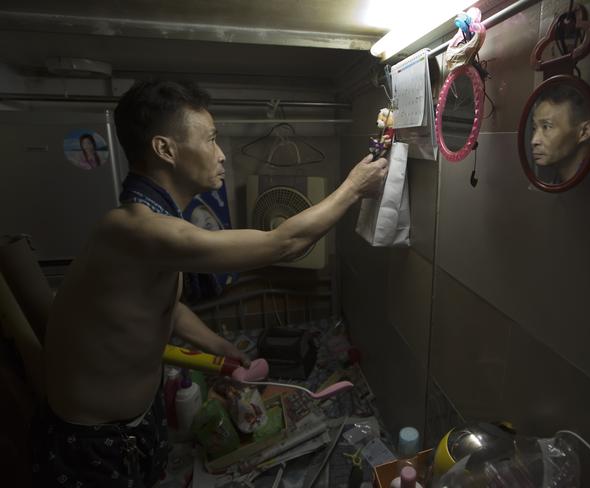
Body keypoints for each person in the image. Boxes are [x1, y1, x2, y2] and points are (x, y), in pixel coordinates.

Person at [31, 80, 388, 487]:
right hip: (92, 442)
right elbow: (286, 243)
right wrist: (355, 186)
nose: (221, 155)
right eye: (211, 139)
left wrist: (218, 346)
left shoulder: (155, 228)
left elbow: (164, 304)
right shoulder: (133, 229)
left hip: (135, 423)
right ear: (165, 149)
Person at [530, 84, 590, 184]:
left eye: (547, 127)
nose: (534, 141)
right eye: (534, 128)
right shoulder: (556, 184)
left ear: (584, 131)